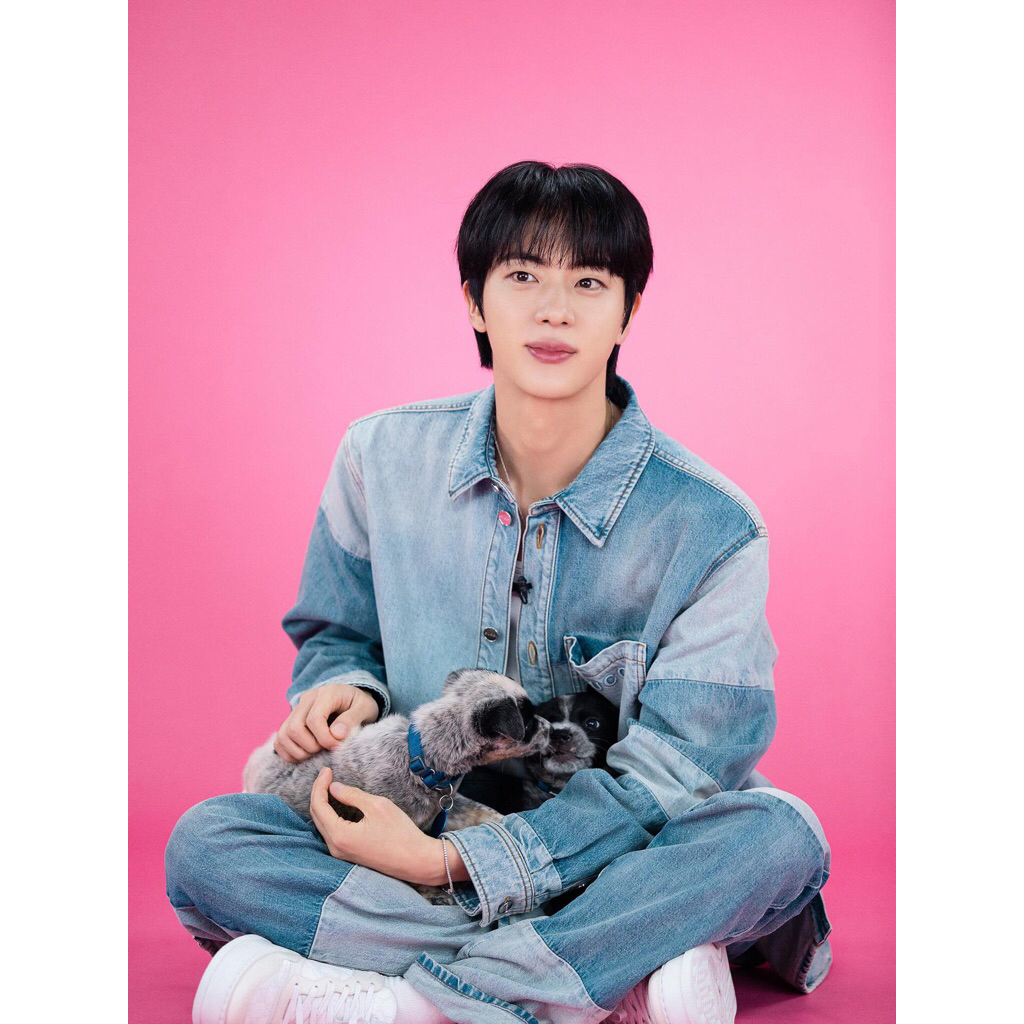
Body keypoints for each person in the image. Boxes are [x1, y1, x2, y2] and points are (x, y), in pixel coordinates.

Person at [166, 161, 832, 1024]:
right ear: (475, 302)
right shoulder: (378, 459)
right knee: (208, 843)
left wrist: (449, 869)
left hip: (616, 855)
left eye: (588, 283)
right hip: (419, 821)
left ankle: (418, 1000)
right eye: (522, 276)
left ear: (628, 311)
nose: (554, 311)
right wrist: (345, 689)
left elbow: (680, 777)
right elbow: (336, 634)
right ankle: (603, 973)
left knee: (776, 838)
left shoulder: (714, 526)